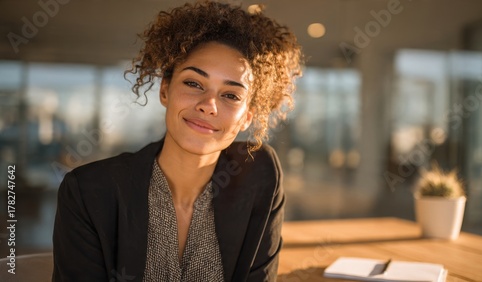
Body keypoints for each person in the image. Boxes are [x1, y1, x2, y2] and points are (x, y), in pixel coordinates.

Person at [52, 1, 302, 281]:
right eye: (193, 83)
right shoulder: (88, 192)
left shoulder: (259, 173)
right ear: (165, 90)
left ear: (246, 118)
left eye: (230, 95)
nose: (209, 105)